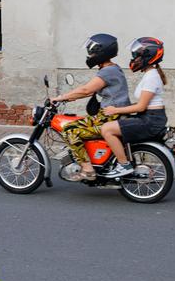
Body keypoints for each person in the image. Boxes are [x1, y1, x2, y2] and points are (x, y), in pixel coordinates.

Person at [51, 33, 131, 181]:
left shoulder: (108, 71)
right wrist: (68, 98)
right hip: (109, 115)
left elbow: (86, 90)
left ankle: (87, 169)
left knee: (69, 131)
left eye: (93, 51)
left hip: (109, 117)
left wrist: (60, 98)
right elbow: (88, 90)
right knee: (74, 124)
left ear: (102, 52)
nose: (90, 55)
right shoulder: (112, 68)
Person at [101, 37, 168, 179]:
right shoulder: (150, 74)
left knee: (106, 129)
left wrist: (115, 110)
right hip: (149, 117)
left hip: (151, 120)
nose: (134, 59)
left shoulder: (151, 77)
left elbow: (141, 106)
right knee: (117, 124)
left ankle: (124, 165)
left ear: (147, 56)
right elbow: (143, 106)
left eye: (136, 55)